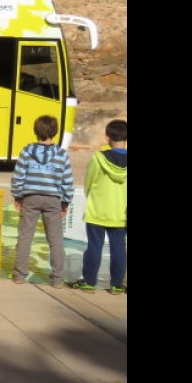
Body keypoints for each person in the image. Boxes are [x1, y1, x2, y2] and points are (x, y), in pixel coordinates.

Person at [9, 114, 75, 286]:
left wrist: (17, 196)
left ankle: (19, 275)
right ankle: (58, 279)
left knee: (25, 237)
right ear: (55, 132)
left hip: (30, 198)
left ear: (35, 131)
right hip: (53, 199)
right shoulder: (61, 154)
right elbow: (67, 181)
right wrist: (65, 202)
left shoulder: (27, 152)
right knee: (55, 240)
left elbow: (18, 177)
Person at [69, 119, 127, 295]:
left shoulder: (98, 157)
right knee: (118, 248)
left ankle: (89, 282)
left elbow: (89, 181)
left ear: (107, 137)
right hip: (120, 211)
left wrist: (91, 196)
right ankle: (117, 284)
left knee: (94, 246)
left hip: (97, 210)